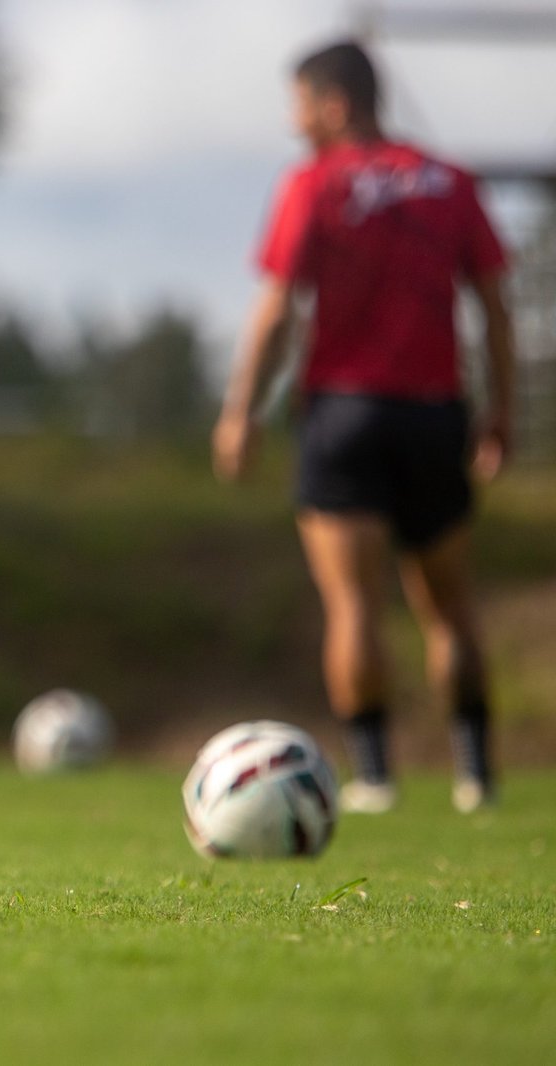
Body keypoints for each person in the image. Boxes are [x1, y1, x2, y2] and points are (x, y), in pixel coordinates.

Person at [212, 40, 515, 814]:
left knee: (353, 606)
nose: (294, 122)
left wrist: (242, 409)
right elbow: (495, 306)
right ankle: (475, 776)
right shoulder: (449, 182)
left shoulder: (313, 184)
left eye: (301, 103)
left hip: (344, 413)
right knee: (448, 608)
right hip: (431, 414)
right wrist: (500, 412)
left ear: (337, 102)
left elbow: (278, 307)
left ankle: (376, 779)